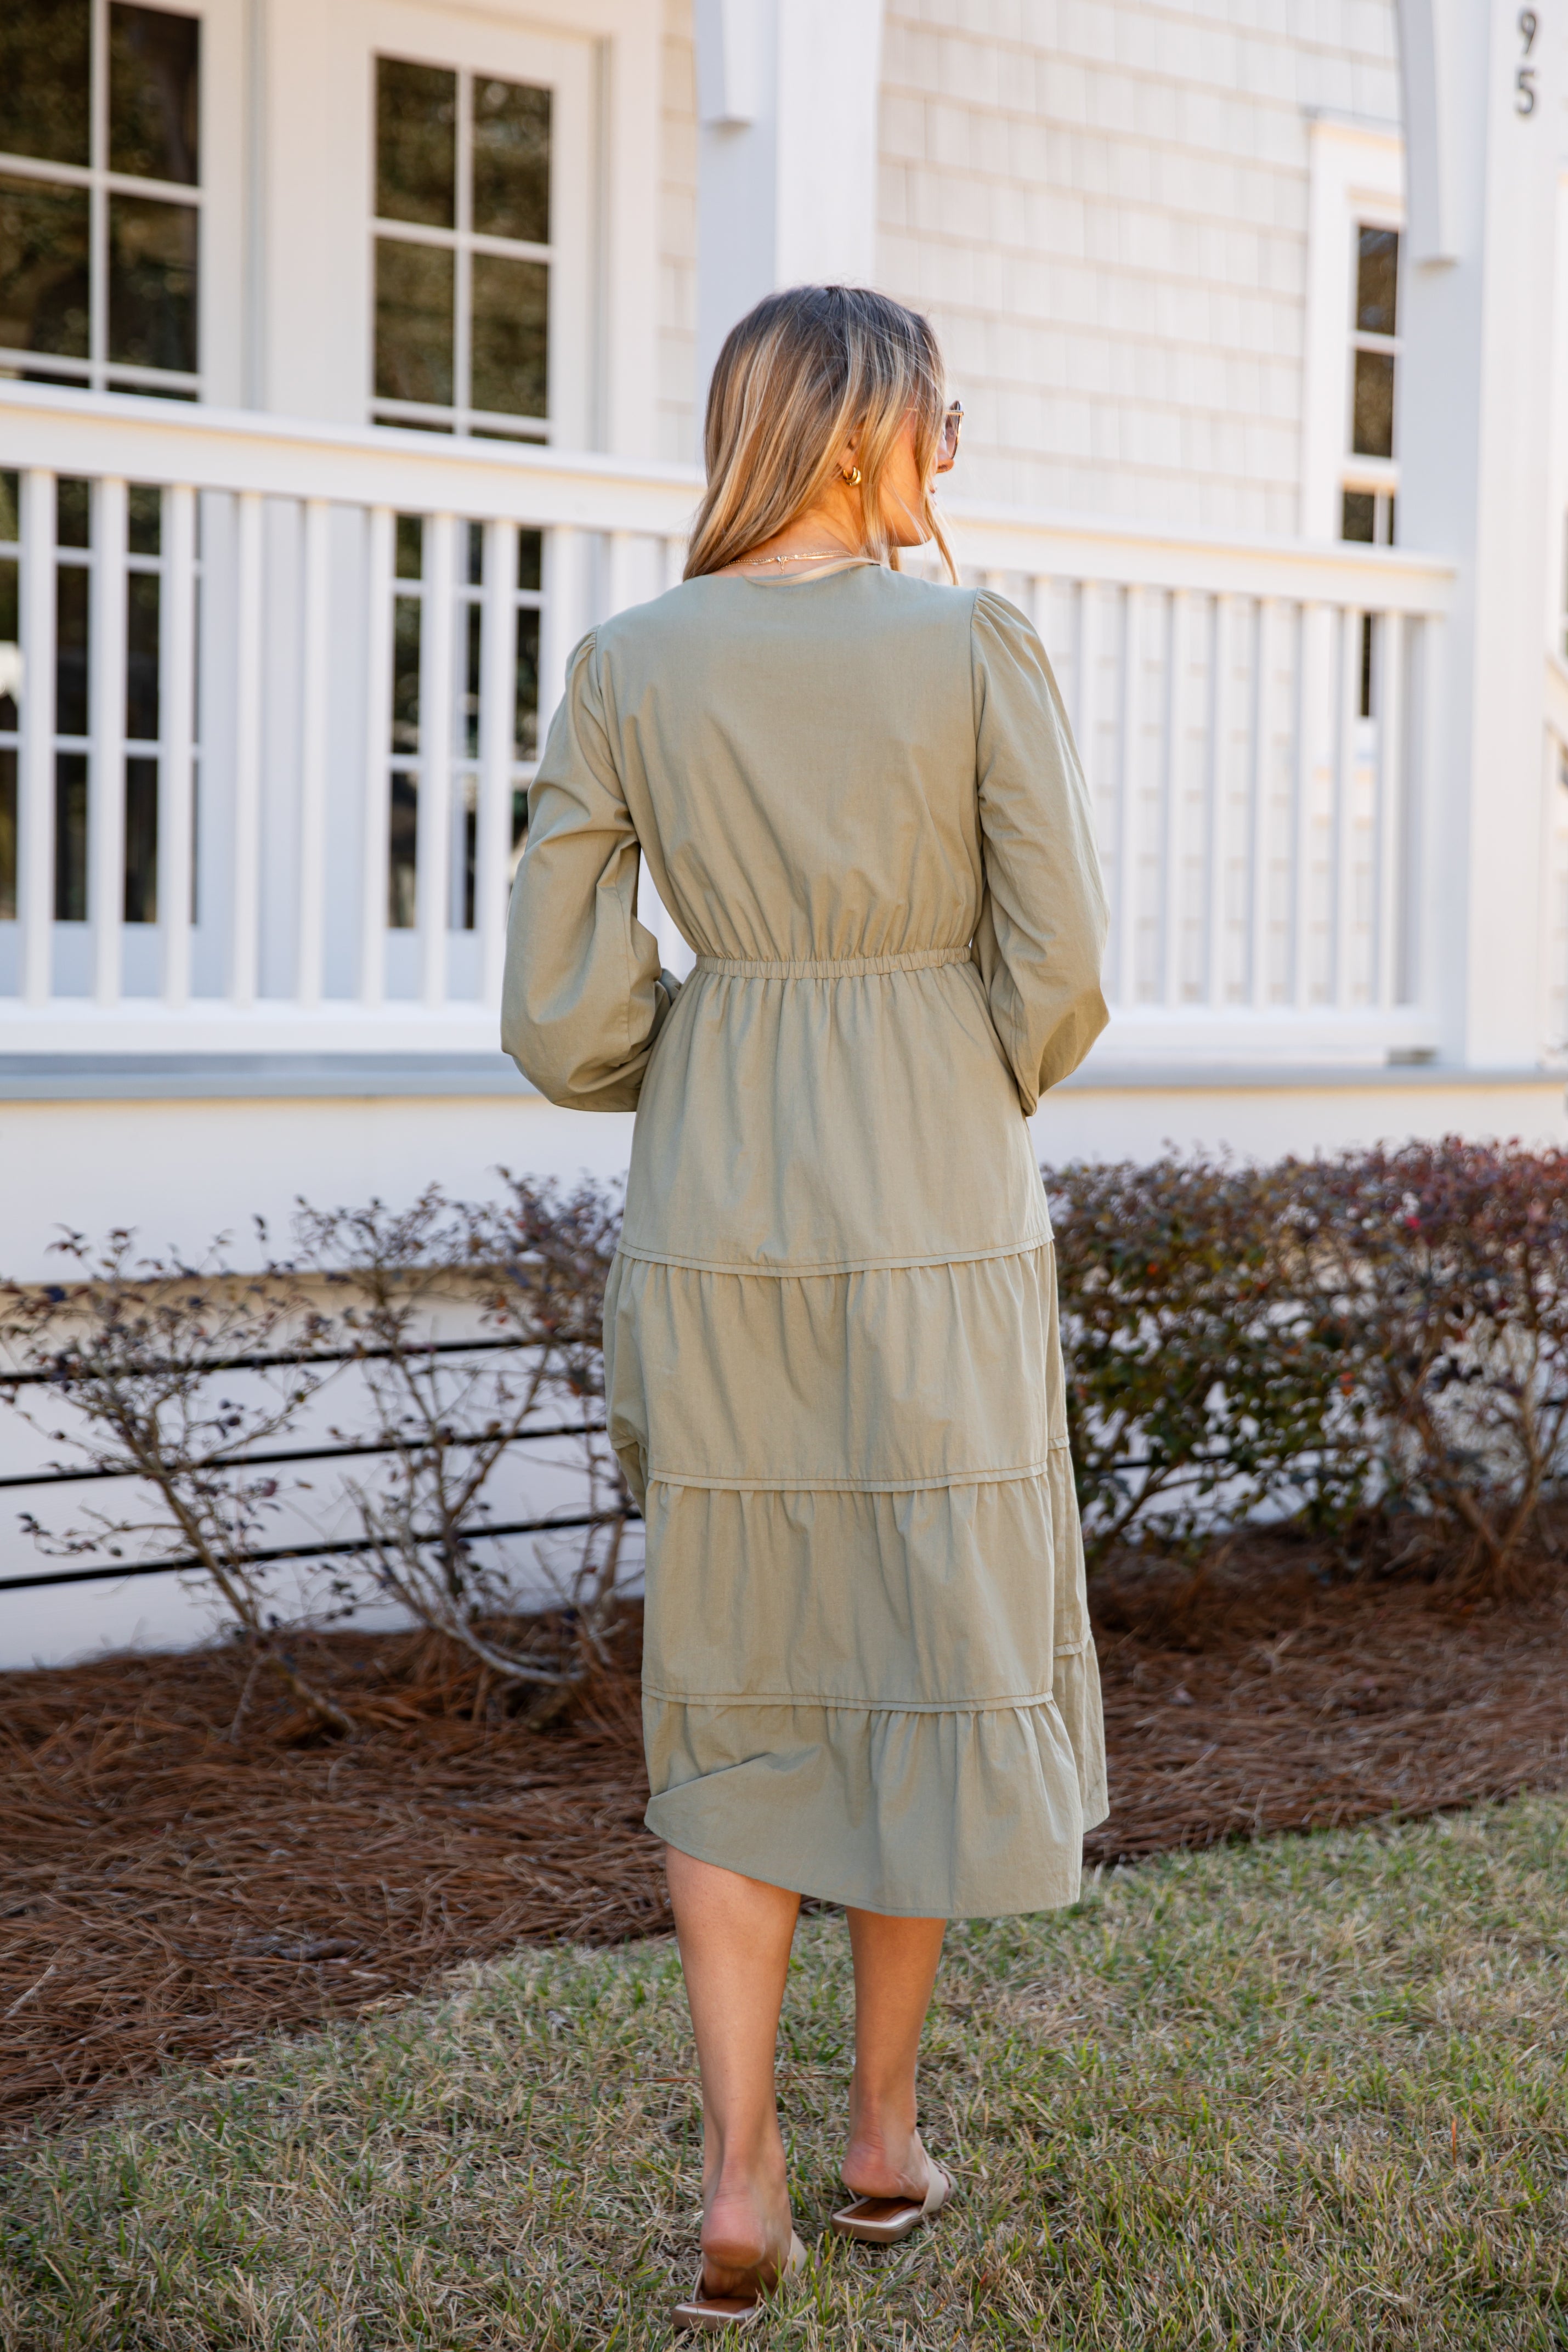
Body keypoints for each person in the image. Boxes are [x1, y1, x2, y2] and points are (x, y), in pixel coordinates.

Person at [503, 284, 1110, 2331]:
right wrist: (946, 1079)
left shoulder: (628, 664)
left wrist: (705, 1048)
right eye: (945, 412)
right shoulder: (971, 646)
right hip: (932, 1175)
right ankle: (876, 2134)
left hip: (718, 1169)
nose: (958, 444)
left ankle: (737, 2168)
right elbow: (1061, 969)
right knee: (927, 1640)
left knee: (742, 1650)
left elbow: (562, 1014)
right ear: (873, 433)